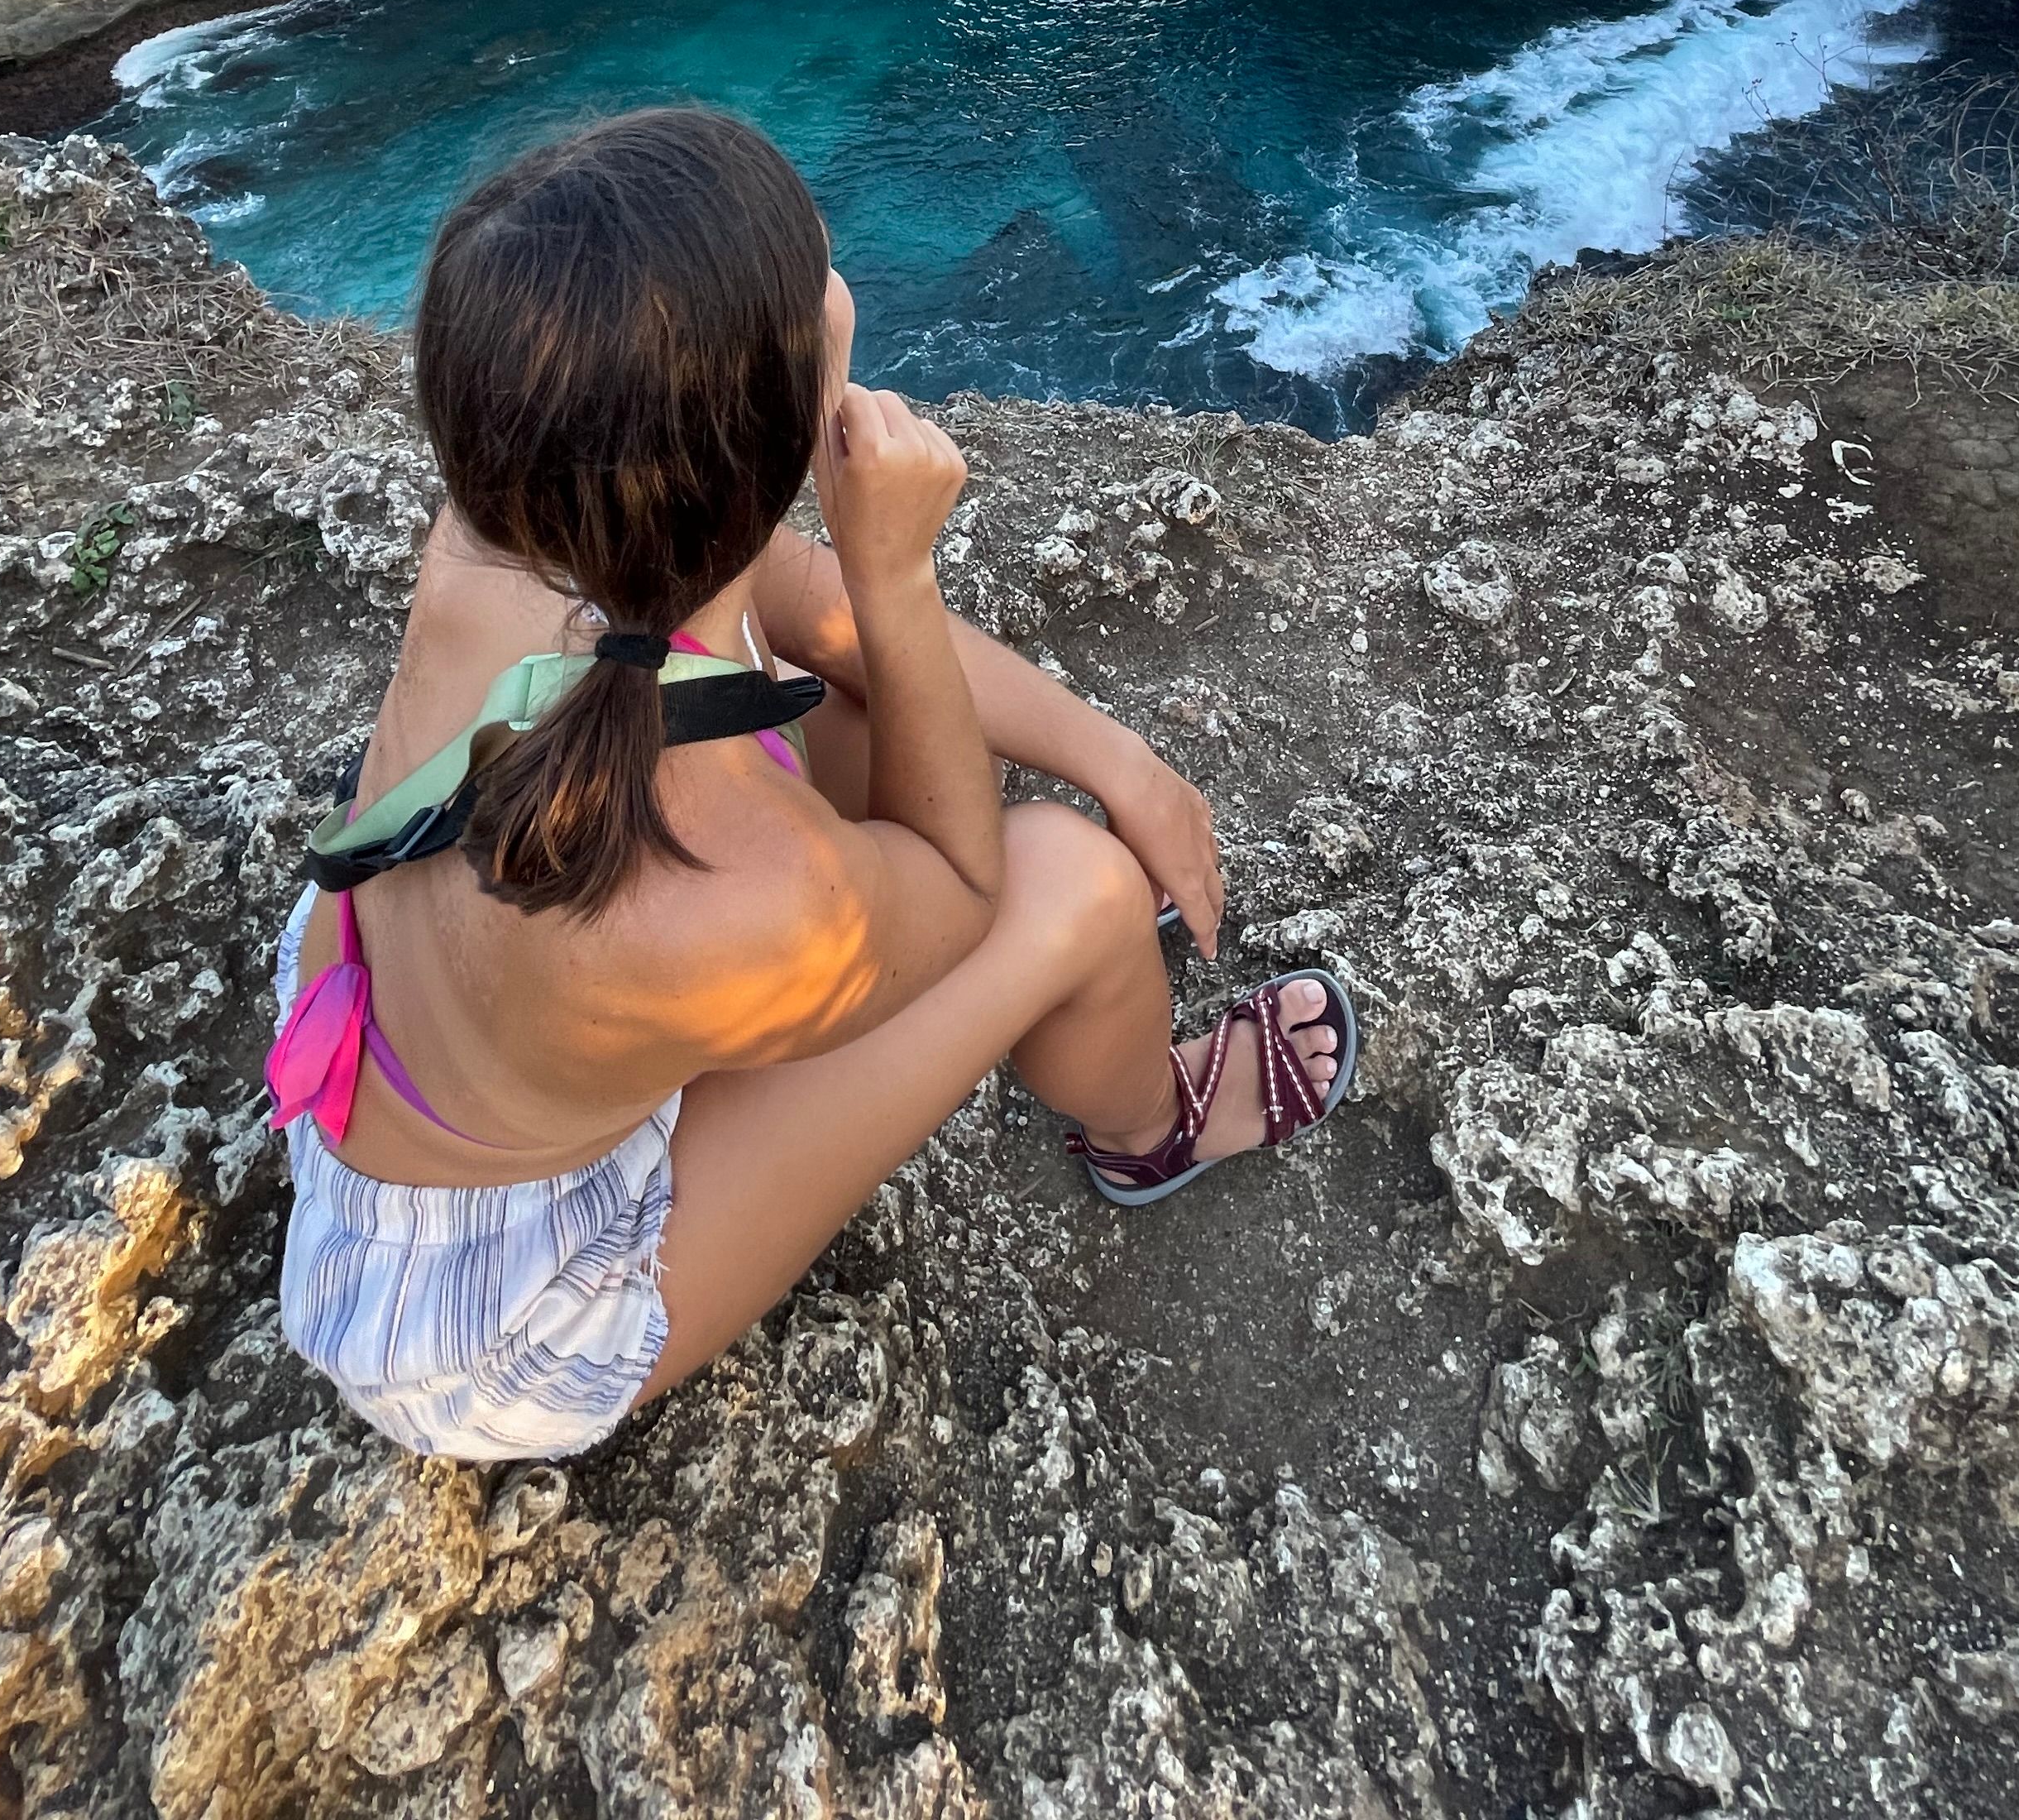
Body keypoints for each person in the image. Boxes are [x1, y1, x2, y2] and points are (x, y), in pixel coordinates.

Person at [265, 109, 1354, 1463]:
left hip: (420, 1019)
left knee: (846, 706)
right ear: (769, 455)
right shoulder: (751, 899)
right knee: (1073, 881)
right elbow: (965, 889)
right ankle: (1149, 1128)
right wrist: (897, 565)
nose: (838, 286)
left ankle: (672, 1042)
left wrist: (1117, 755)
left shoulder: (532, 518)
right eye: (820, 275)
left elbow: (820, 624)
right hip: (487, 1307)